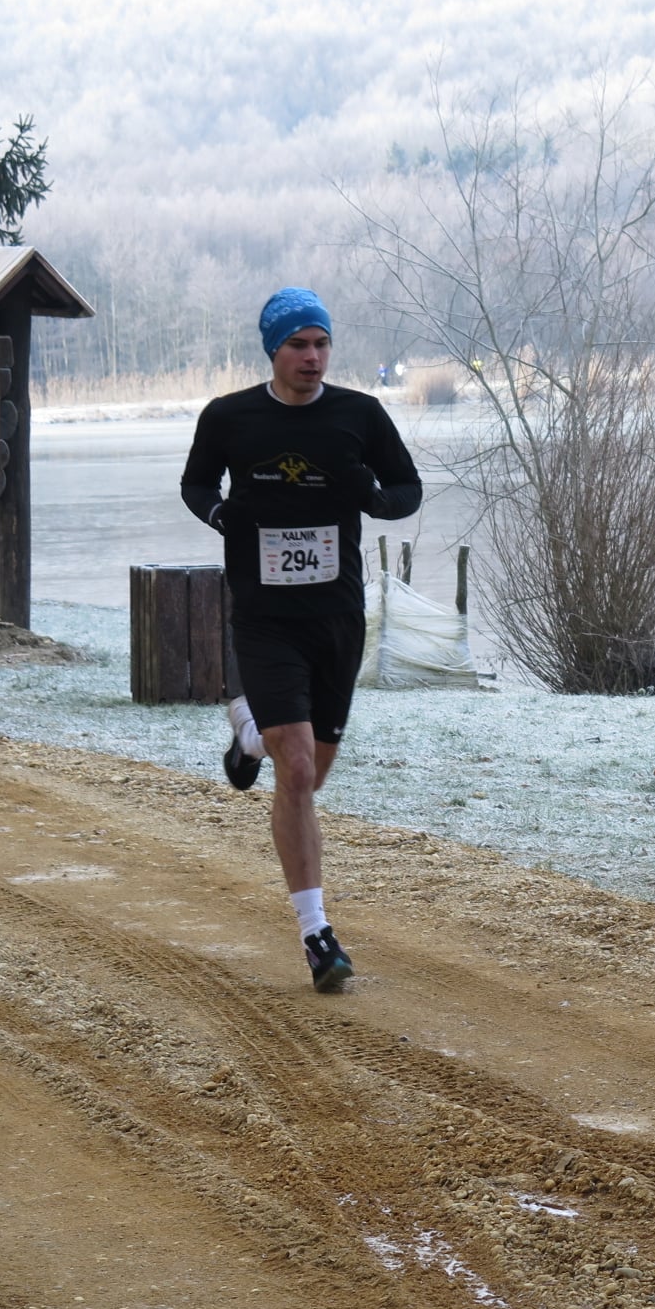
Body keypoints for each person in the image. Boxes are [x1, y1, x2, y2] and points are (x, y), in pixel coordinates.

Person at [180, 287, 422, 991]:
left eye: (321, 343)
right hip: (265, 618)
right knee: (296, 767)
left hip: (336, 617)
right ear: (274, 350)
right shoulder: (229, 417)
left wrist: (373, 497)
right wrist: (221, 514)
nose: (312, 357)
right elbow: (196, 485)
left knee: (310, 772)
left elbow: (407, 489)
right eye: (298, 344)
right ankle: (317, 935)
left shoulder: (359, 415)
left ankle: (248, 734)